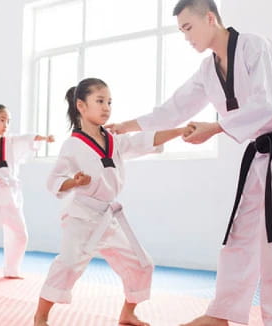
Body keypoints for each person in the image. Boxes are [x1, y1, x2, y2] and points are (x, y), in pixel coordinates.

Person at [107, 1, 272, 325]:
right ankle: (221, 315)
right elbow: (173, 109)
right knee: (238, 235)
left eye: (188, 28)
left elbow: (266, 102)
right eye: (181, 32)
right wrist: (128, 125)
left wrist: (216, 127)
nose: (186, 37)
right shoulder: (208, 71)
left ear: (210, 18)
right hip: (261, 154)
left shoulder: (256, 47)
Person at [33, 78, 191, 326]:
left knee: (142, 263)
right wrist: (74, 182)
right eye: (99, 101)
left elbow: (145, 140)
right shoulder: (72, 145)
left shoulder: (114, 140)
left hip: (108, 217)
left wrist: (179, 132)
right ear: (81, 106)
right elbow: (54, 181)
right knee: (69, 264)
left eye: (109, 102)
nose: (106, 107)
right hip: (81, 217)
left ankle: (127, 314)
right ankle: (40, 317)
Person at [0, 104, 54, 282]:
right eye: (2, 120)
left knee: (20, 233)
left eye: (8, 121)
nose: (6, 124)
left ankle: (12, 269)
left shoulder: (11, 142)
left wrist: (44, 138)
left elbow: (27, 138)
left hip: (10, 194)